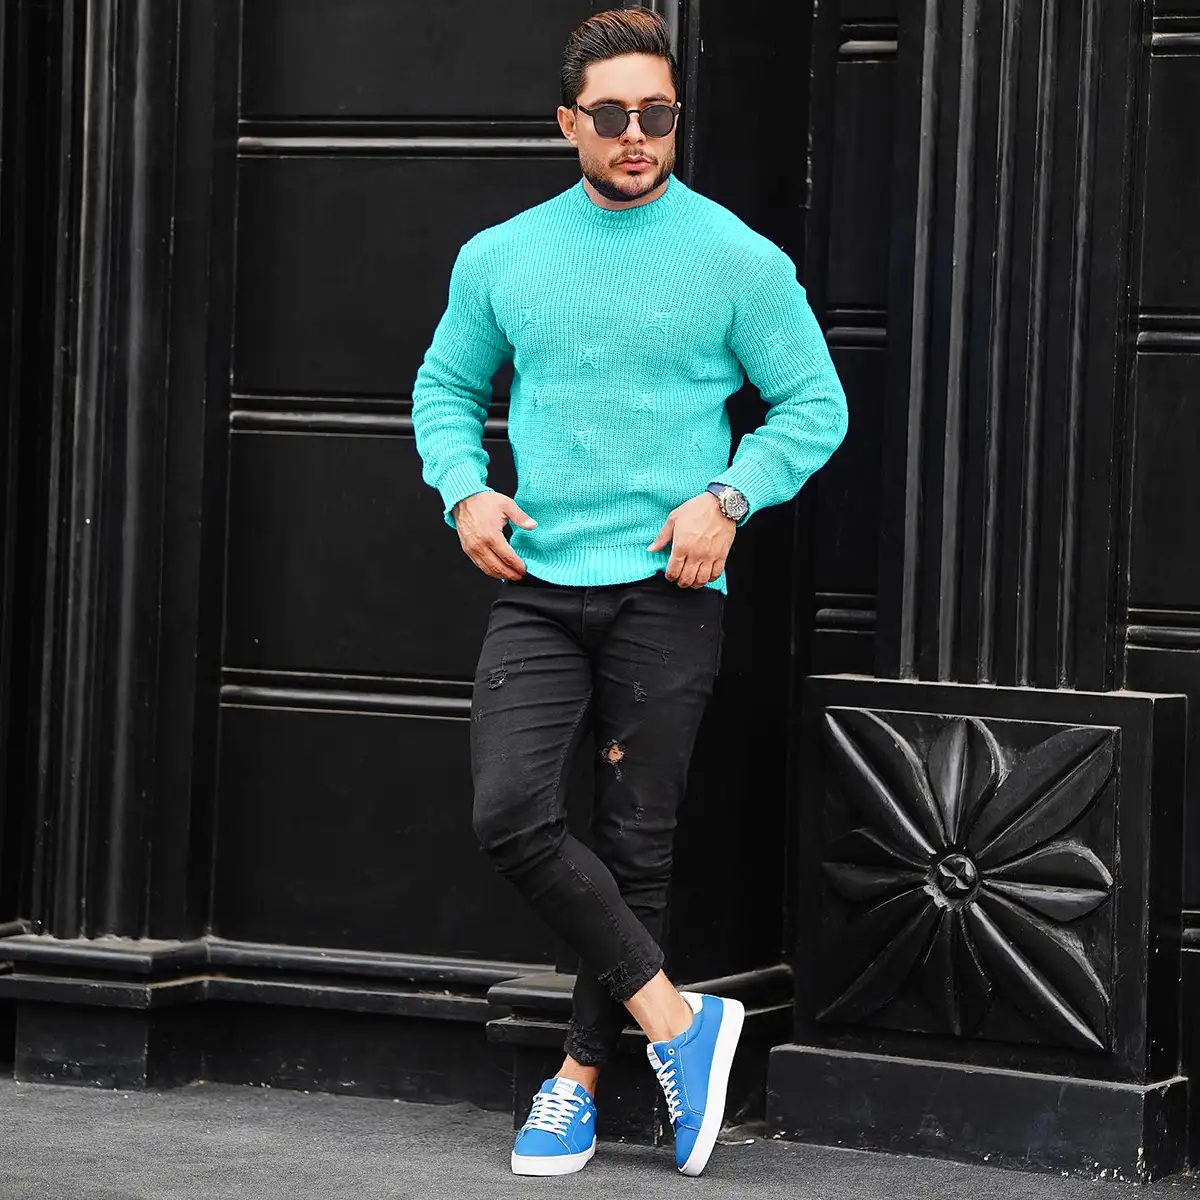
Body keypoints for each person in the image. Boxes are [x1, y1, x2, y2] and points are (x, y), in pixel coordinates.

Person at [411, 7, 847, 1179]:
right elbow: (445, 386)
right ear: (569, 123)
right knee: (511, 815)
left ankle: (577, 1083)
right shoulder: (504, 256)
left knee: (636, 847)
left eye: (658, 112)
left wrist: (729, 498)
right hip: (540, 584)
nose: (638, 134)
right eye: (612, 115)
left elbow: (813, 402)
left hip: (669, 589)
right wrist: (465, 490)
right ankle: (677, 1022)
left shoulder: (736, 259)